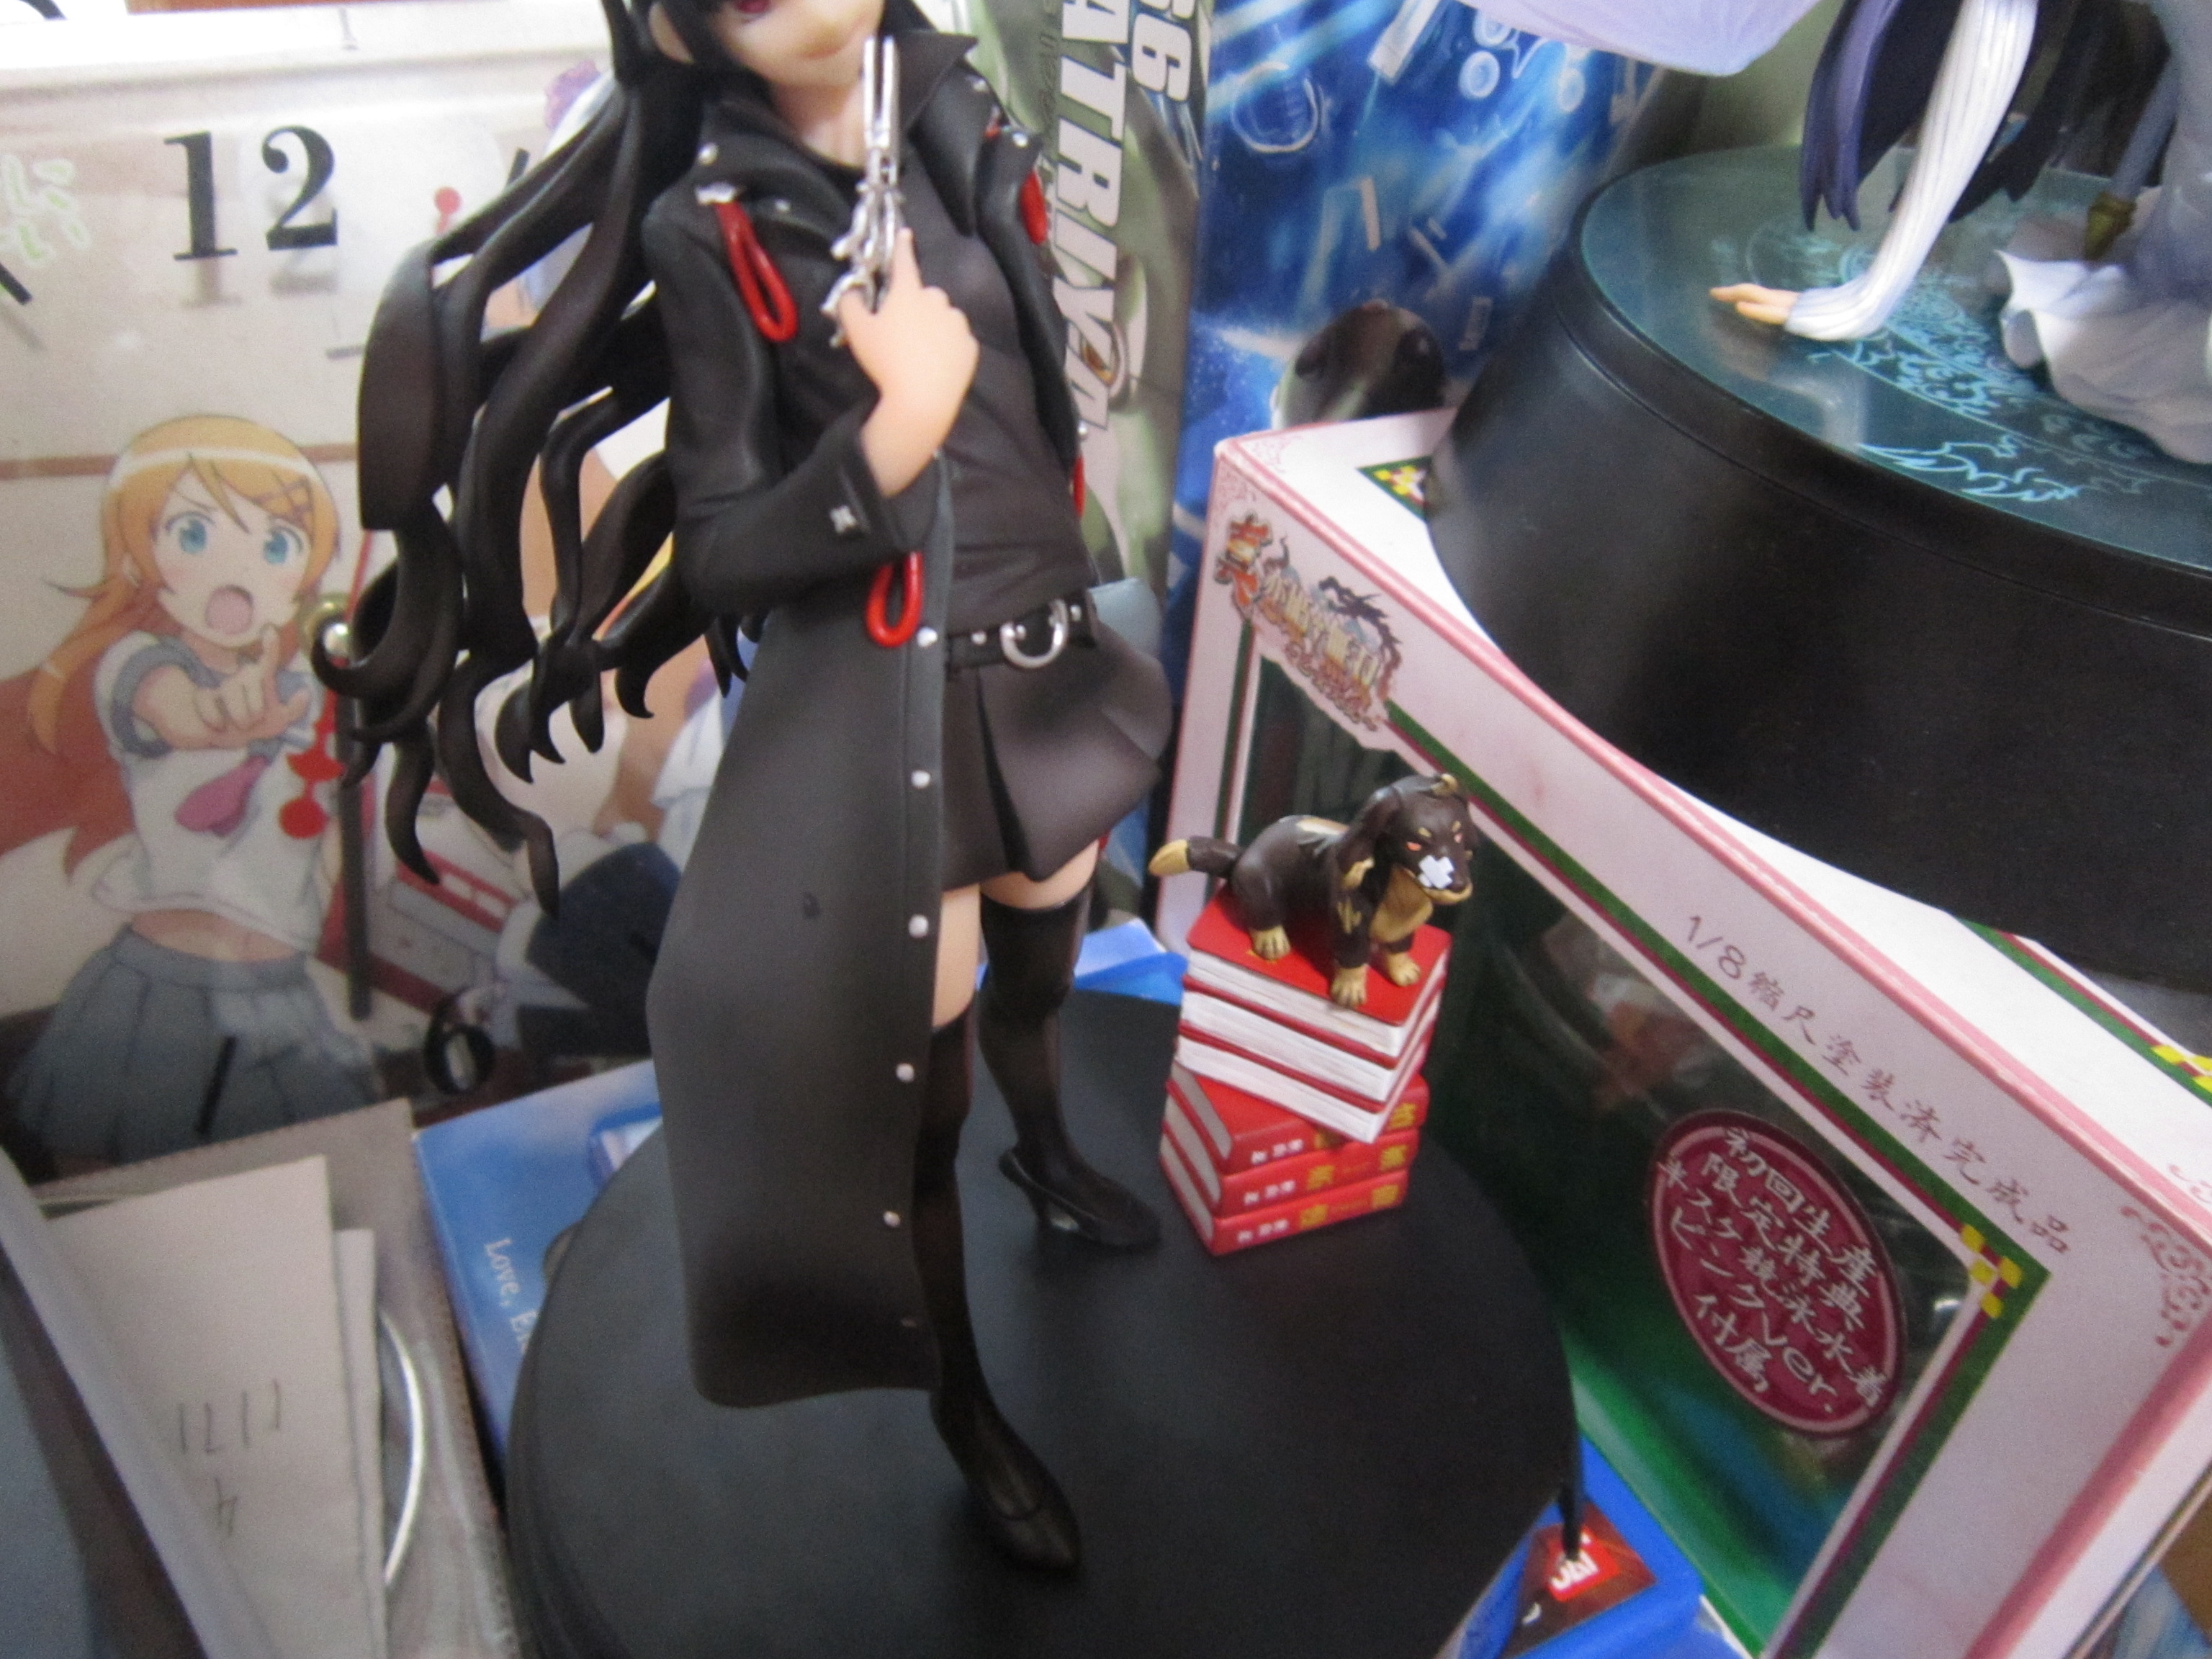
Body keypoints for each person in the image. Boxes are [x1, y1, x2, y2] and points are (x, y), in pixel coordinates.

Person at [324, 0, 1170, 1572]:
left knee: (1048, 959)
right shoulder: (709, 226)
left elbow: (1043, 388)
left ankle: (1053, 1151)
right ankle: (964, 1404)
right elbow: (721, 546)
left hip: (1049, 653)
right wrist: (893, 433)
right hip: (900, 714)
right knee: (917, 1108)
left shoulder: (964, 122)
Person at [0, 415, 373, 1164]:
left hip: (281, 995)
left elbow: (332, 840)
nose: (237, 571)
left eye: (276, 546)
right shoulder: (139, 665)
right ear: (141, 558)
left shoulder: (315, 695)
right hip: (160, 997)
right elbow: (185, 715)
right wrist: (226, 716)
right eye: (195, 535)